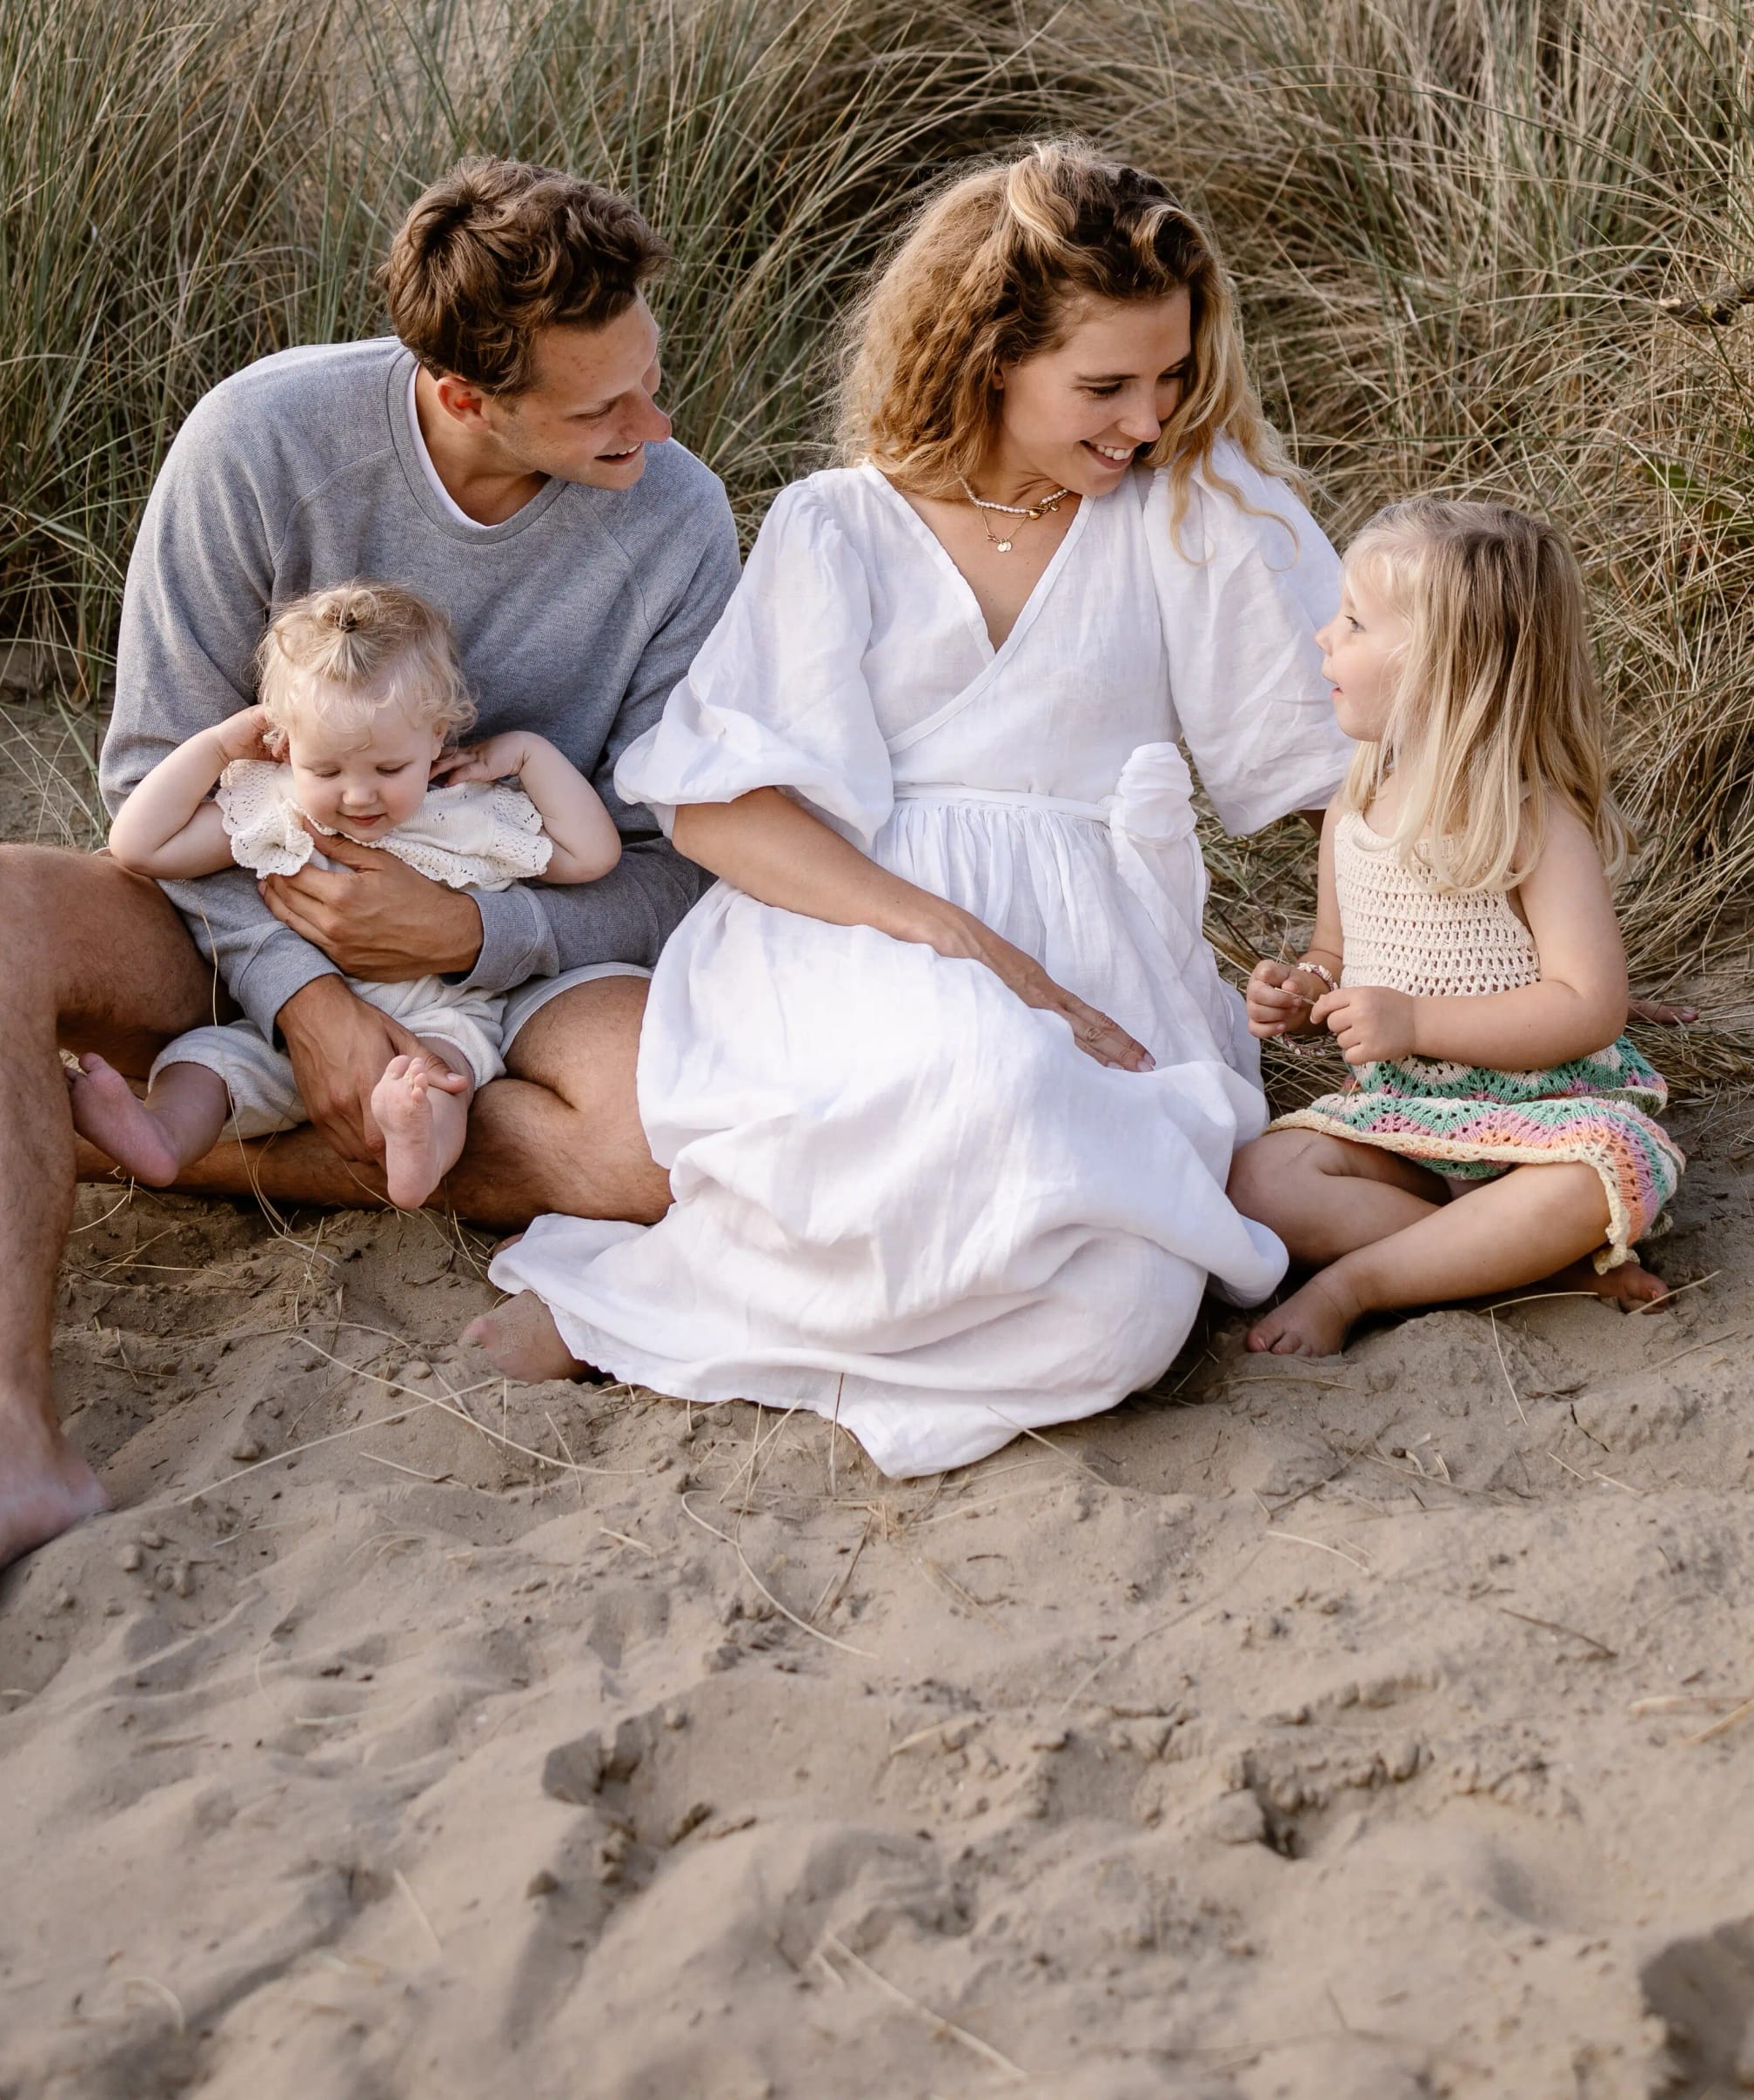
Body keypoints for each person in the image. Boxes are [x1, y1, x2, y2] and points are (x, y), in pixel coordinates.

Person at [0, 161, 740, 1660]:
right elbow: (151, 781)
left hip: (507, 961)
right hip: (228, 924)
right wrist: (312, 1000)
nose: (659, 430)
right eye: (604, 412)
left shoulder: (679, 522)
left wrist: (466, 944)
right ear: (458, 391)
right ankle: (2, 1439)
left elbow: (676, 859)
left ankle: (86, 1142)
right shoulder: (262, 442)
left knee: (654, 1146)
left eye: (655, 379)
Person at [465, 142, 1350, 1475]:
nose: (1149, 419)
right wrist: (951, 938)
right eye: (1104, 384)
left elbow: (1358, 770)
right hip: (849, 925)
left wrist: (1357, 964)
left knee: (1124, 1314)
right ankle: (640, 1305)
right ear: (990, 355)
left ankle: (740, 1326)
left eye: (1171, 377)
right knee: (972, 1070)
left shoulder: (1197, 517)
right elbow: (718, 812)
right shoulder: (842, 524)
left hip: (1093, 934)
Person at [1232, 495, 1681, 1357]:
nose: (1324, 636)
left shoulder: (1530, 819)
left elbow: (1589, 1003)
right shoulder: (1352, 805)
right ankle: (1527, 1265)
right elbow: (1335, 951)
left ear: (1443, 665)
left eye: (1354, 623)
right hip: (1403, 1115)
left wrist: (1417, 1020)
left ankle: (1363, 1280)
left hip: (1536, 1117)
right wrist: (1306, 990)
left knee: (1600, 1171)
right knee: (1258, 1179)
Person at [75, 580, 621, 1209]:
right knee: (204, 1061)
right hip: (283, 1025)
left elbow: (593, 854)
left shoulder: (465, 811)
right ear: (283, 745)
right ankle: (160, 1137)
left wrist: (529, 754)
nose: (358, 796)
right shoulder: (277, 805)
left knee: (444, 1076)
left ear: (437, 736)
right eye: (326, 769)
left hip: (432, 1016)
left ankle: (414, 1145)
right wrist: (219, 746)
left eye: (390, 769)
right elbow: (140, 845)